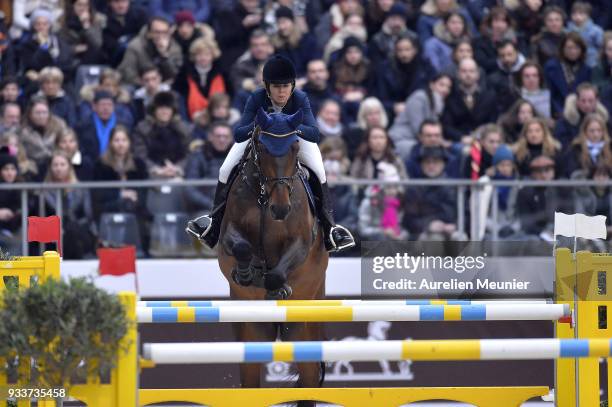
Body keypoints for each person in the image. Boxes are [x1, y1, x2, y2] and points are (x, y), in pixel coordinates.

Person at [186, 55, 355, 252]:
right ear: (267, 86)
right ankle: (214, 224)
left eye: (286, 86)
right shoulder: (256, 97)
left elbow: (315, 133)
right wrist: (260, 127)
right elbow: (239, 134)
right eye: (276, 86)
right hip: (262, 139)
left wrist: (289, 128)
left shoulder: (300, 98)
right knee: (225, 169)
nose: (282, 91)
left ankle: (330, 229)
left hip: (293, 141)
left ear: (292, 85)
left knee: (319, 170)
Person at [389, 73, 452, 160]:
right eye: (441, 85)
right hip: (402, 139)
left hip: (422, 141)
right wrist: (440, 141)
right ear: (431, 85)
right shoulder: (419, 98)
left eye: (448, 87)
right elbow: (418, 129)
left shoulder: (439, 103)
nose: (445, 89)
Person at [566, 2, 603, 68]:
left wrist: (598, 58)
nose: (577, 17)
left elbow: (601, 46)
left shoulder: (596, 30)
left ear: (588, 15)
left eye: (581, 14)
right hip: (573, 62)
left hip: (591, 62)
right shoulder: (568, 30)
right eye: (574, 14)